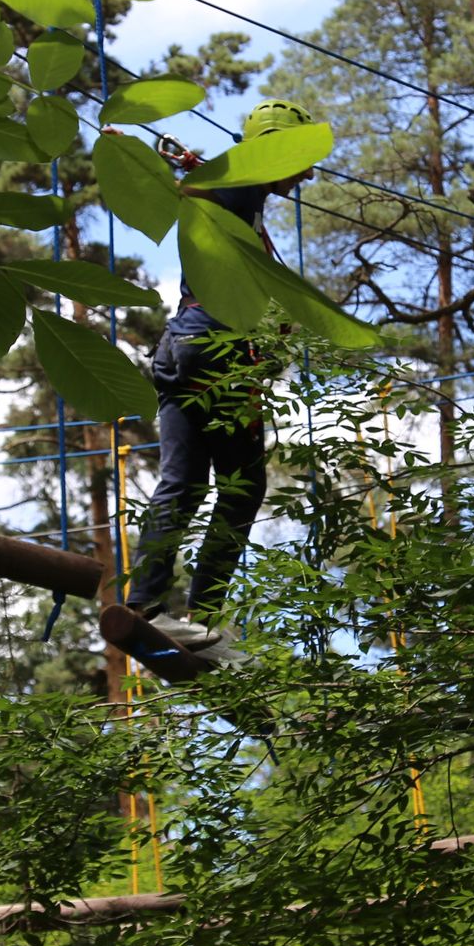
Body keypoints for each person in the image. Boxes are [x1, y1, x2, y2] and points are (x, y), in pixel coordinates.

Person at [122, 99, 318, 661]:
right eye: (300, 162)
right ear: (276, 148)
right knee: (240, 486)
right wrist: (200, 174)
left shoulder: (245, 202)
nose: (305, 177)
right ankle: (203, 618)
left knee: (183, 482)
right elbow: (210, 188)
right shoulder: (240, 184)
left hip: (183, 347)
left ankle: (146, 606)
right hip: (217, 353)